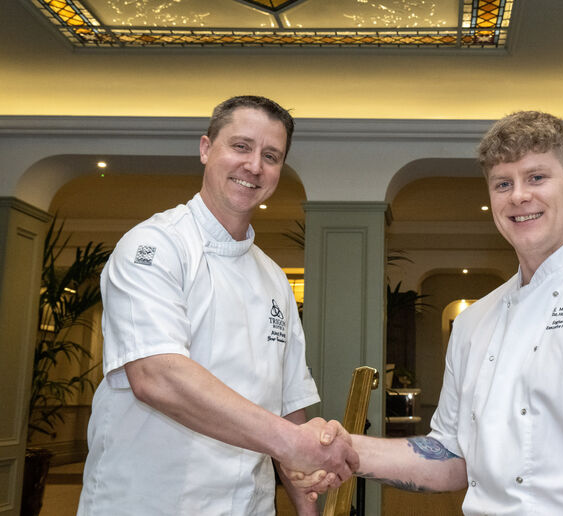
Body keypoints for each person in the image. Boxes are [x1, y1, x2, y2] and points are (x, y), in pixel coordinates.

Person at [295, 110, 563, 515]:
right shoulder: (476, 321)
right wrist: (348, 448)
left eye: (537, 177)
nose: (518, 196)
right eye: (502, 183)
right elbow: (454, 456)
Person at [78, 96, 357, 516]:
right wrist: (291, 442)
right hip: (147, 502)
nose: (254, 166)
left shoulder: (274, 278)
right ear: (207, 148)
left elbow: (289, 405)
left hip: (249, 504)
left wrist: (307, 506)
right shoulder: (155, 245)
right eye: (240, 147)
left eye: (271, 156)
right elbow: (157, 376)